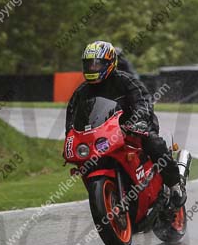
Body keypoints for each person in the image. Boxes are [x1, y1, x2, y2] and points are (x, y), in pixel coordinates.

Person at [65, 40, 185, 208]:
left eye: (97, 64)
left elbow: (143, 101)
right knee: (88, 162)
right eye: (89, 64)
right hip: (104, 135)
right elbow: (72, 115)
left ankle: (174, 185)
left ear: (109, 62)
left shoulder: (125, 80)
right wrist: (70, 136)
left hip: (135, 127)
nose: (92, 68)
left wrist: (138, 120)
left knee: (153, 143)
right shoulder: (81, 92)